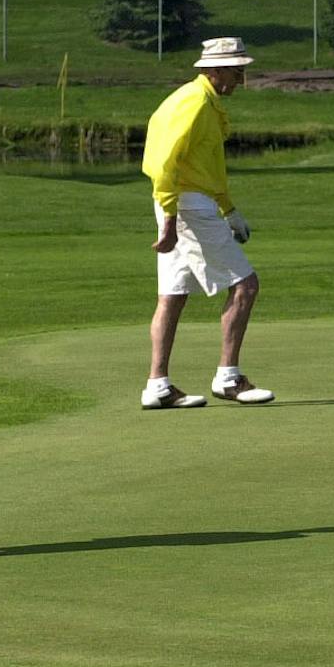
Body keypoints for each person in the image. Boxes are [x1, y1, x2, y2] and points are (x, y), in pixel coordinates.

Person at [139, 36, 274, 409]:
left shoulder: (204, 101)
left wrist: (229, 209)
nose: (240, 80)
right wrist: (168, 218)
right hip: (186, 206)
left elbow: (208, 166)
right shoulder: (195, 104)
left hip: (187, 203)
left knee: (173, 295)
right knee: (245, 285)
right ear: (213, 70)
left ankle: (158, 386)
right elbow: (163, 162)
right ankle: (228, 378)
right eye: (235, 72)